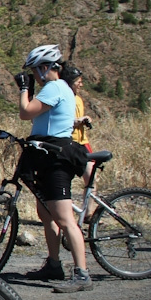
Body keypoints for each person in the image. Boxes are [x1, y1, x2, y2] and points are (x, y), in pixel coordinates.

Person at [15, 46, 93, 292]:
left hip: (57, 156)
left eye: (34, 71)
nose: (34, 76)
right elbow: (37, 117)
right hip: (46, 154)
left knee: (64, 218)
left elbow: (25, 113)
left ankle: (82, 274)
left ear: (45, 67)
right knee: (46, 214)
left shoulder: (55, 87)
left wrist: (24, 90)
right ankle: (54, 264)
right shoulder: (57, 89)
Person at [61, 63, 97, 220]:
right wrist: (78, 121)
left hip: (83, 142)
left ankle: (89, 213)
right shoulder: (65, 99)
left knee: (91, 177)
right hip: (69, 142)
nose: (81, 84)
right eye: (78, 82)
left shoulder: (79, 100)